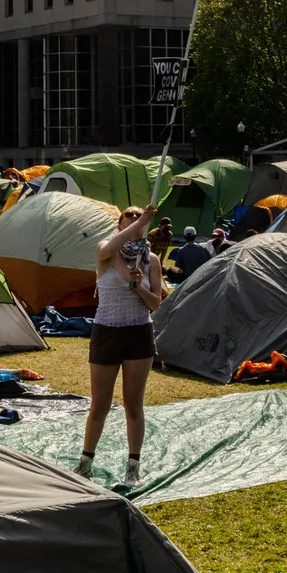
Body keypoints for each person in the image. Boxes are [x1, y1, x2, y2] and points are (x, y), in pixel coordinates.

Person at [77, 204, 164, 488]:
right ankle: (85, 463)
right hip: (106, 332)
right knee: (99, 404)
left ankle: (133, 467)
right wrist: (136, 227)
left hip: (138, 333)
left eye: (140, 219)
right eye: (129, 218)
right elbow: (106, 249)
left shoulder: (151, 259)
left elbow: (155, 303)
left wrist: (139, 286)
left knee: (133, 404)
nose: (135, 222)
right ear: (120, 225)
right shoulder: (108, 251)